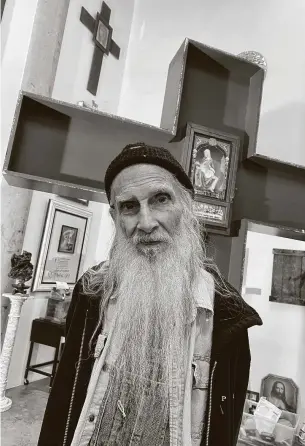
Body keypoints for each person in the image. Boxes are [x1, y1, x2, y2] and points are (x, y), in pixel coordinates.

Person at [38, 142, 262, 446]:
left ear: (186, 206)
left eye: (160, 200)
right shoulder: (91, 291)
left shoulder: (228, 315)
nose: (146, 223)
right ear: (115, 217)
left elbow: (224, 427)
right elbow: (64, 395)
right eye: (129, 206)